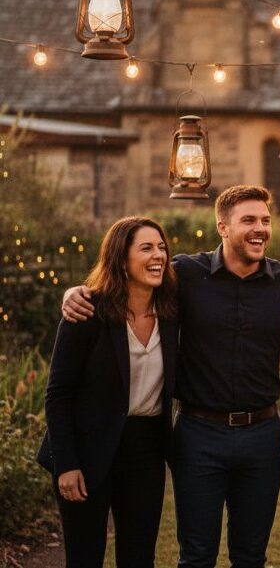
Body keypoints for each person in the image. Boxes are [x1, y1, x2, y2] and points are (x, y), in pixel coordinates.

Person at [61, 186, 280, 568]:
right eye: (249, 221)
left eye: (265, 220)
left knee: (250, 556)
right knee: (196, 556)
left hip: (262, 435)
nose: (260, 229)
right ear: (222, 227)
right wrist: (78, 292)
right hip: (198, 434)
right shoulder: (186, 274)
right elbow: (136, 281)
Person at [37, 216, 178, 568]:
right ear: (120, 258)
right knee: (85, 557)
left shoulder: (173, 312)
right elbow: (59, 393)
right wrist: (66, 465)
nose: (158, 255)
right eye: (146, 248)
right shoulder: (88, 310)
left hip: (146, 448)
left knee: (138, 556)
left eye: (161, 247)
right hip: (87, 447)